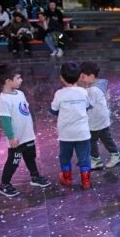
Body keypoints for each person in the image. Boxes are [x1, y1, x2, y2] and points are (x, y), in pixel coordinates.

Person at [0, 64, 50, 197]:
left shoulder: (20, 93)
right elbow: (5, 120)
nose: (21, 80)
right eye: (18, 78)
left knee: (31, 157)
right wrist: (11, 137)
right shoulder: (3, 100)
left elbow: (25, 112)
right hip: (17, 140)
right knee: (13, 162)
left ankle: (35, 177)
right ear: (8, 81)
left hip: (28, 136)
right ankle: (5, 185)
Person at [49, 62, 92, 190]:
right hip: (82, 133)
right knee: (84, 157)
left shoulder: (59, 94)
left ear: (61, 77)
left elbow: (53, 110)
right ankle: (86, 181)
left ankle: (67, 178)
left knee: (65, 157)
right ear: (79, 77)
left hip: (66, 134)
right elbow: (87, 106)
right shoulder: (83, 92)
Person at [79, 61, 120, 170]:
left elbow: (87, 104)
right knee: (99, 139)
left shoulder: (93, 90)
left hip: (97, 120)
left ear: (91, 76)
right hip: (98, 119)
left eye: (82, 77)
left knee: (100, 139)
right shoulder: (96, 85)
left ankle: (114, 155)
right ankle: (98, 159)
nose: (81, 79)